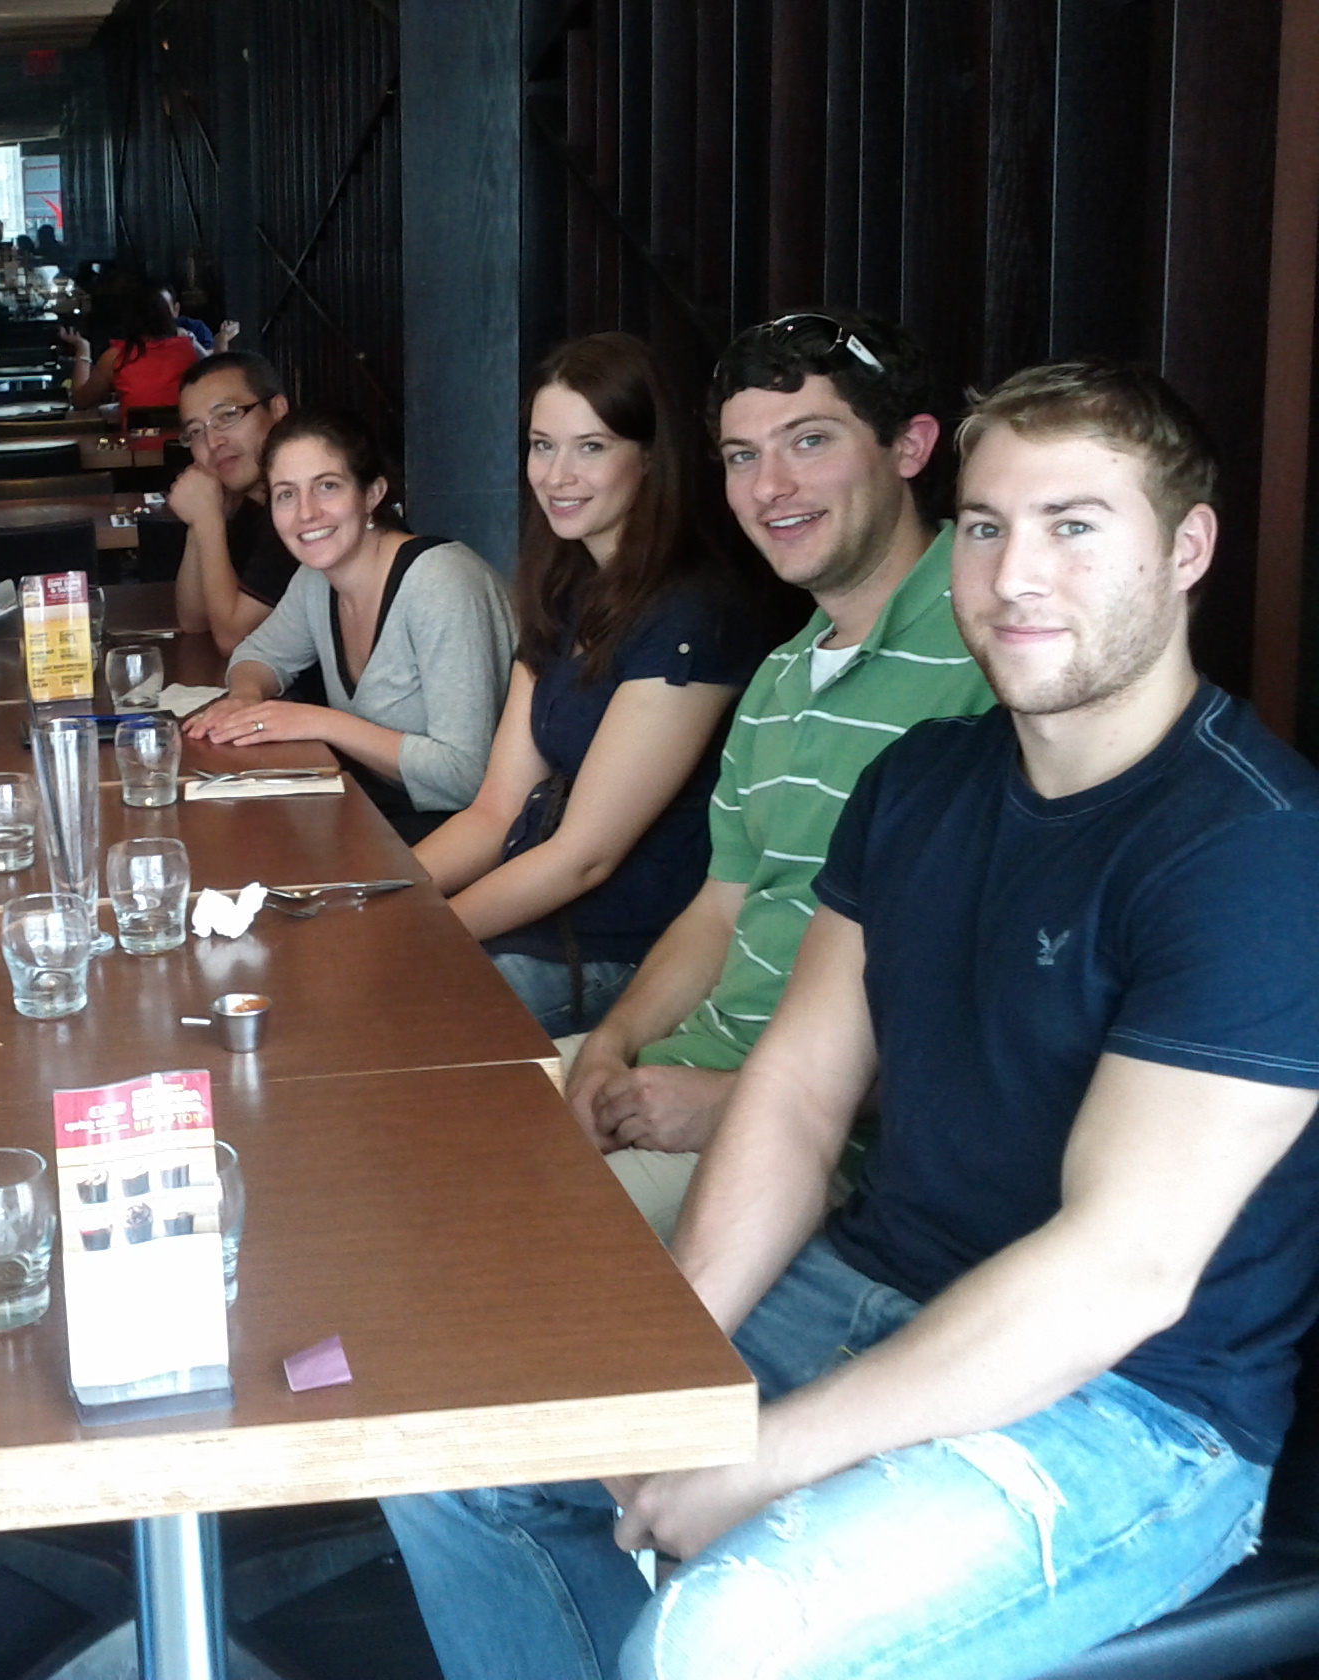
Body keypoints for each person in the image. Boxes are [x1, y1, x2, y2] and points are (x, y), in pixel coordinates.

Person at [384, 361, 1319, 1680]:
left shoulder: (1253, 848)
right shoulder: (919, 782)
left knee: (719, 1639)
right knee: (455, 1450)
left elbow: (1121, 1270)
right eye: (986, 526)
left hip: (1135, 1406)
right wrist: (676, 1369)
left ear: (1187, 550)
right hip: (866, 1287)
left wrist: (764, 1455)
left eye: (1073, 525)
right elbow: (797, 1096)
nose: (1014, 575)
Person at [560, 311, 995, 1236]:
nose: (770, 486)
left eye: (810, 441)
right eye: (741, 455)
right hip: (690, 1069)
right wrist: (610, 1044)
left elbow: (1008, 1021)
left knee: (487, 1239)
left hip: (832, 1145)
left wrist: (734, 1103)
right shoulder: (780, 675)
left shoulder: (996, 650)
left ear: (911, 446)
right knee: (401, 1130)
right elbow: (721, 911)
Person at [412, 335, 764, 1037]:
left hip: (619, 956)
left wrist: (417, 937)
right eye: (543, 446)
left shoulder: (691, 612)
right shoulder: (565, 587)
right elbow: (495, 810)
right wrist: (375, 899)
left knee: (388, 1013)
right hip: (534, 923)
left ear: (650, 458)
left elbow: (584, 858)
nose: (557, 475)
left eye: (591, 447)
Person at [186, 409, 514, 842]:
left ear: (372, 493)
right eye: (286, 494)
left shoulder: (441, 583)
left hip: (472, 836)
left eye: (327, 486)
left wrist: (318, 722)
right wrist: (246, 698)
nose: (306, 513)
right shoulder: (316, 580)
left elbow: (465, 776)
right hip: (382, 810)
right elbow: (258, 653)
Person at [169, 351, 300, 653]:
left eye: (227, 416)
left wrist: (206, 519)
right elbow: (195, 621)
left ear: (278, 410)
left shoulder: (300, 508)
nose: (212, 442)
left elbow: (234, 639)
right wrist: (201, 516)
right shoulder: (251, 506)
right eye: (195, 431)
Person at [63, 273, 201, 419]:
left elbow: (80, 400)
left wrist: (82, 347)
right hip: (182, 433)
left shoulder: (116, 357)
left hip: (136, 433)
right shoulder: (188, 350)